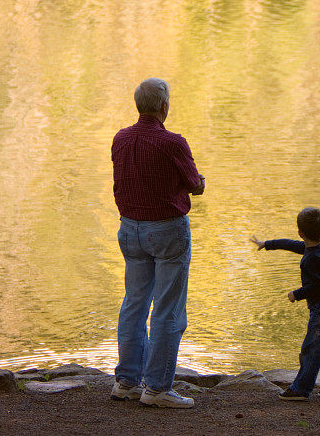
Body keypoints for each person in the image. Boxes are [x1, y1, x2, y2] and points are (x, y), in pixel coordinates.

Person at [109, 77, 205, 409]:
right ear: (164, 106)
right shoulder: (173, 143)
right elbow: (195, 185)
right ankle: (158, 388)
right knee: (167, 310)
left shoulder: (120, 139)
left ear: (139, 106)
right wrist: (198, 181)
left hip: (130, 230)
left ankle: (126, 382)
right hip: (166, 231)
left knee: (134, 304)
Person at [250, 207, 320, 401]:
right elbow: (292, 245)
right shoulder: (317, 247)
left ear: (301, 232)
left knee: (311, 351)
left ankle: (301, 389)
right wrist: (267, 244)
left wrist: (297, 294)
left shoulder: (313, 258)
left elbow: (317, 287)